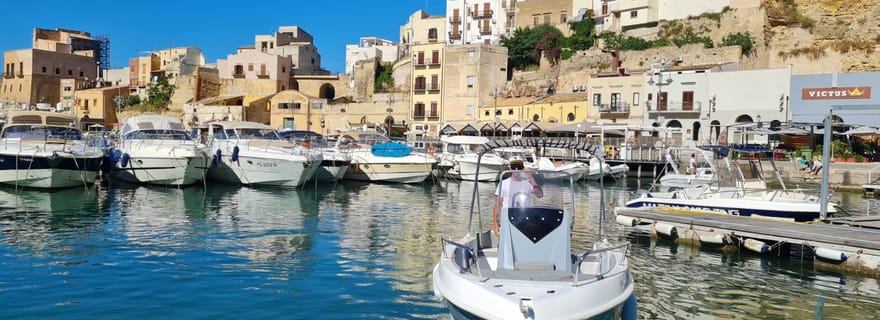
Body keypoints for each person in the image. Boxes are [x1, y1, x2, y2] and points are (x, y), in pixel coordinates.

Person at [493, 158, 543, 234]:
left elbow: (540, 195)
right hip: (508, 220)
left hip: (525, 220)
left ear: (522, 168)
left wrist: (530, 177)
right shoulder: (503, 184)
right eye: (514, 167)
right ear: (510, 168)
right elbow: (497, 205)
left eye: (519, 167)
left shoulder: (527, 183)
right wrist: (495, 225)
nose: (516, 169)